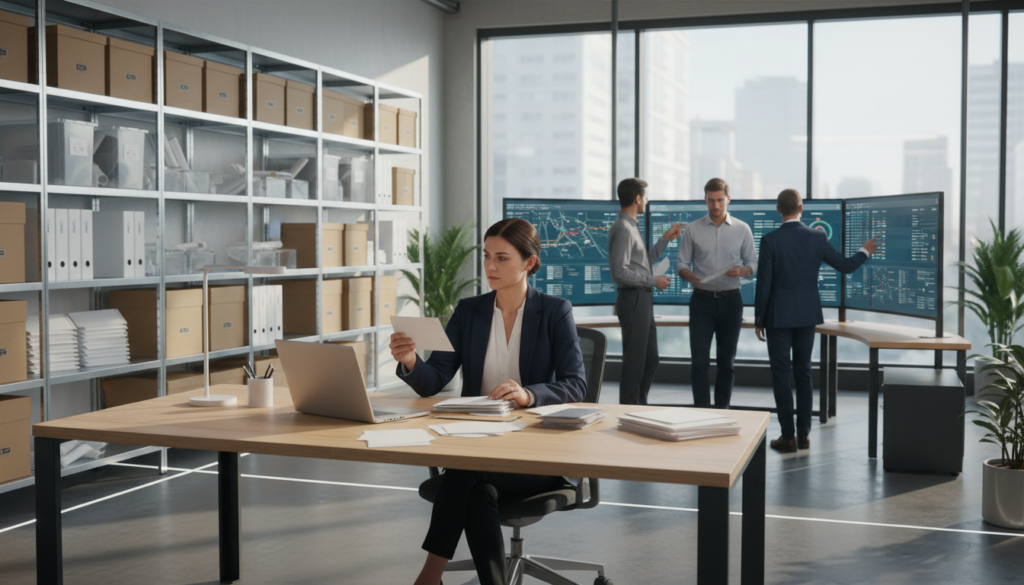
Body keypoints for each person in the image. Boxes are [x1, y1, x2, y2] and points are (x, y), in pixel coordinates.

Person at [390, 218, 587, 585]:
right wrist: (411, 362)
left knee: (466, 470)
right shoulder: (470, 311)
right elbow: (435, 379)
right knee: (479, 491)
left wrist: (529, 395)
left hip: (534, 453)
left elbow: (576, 384)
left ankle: (430, 574)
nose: (490, 267)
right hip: (478, 443)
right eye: (486, 256)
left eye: (502, 258)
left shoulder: (555, 311)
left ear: (529, 263)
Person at [754, 189, 877, 453]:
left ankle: (787, 437)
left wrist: (759, 319)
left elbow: (763, 284)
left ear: (778, 209)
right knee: (804, 372)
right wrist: (865, 251)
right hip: (807, 315)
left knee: (781, 375)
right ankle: (804, 435)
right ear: (801, 209)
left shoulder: (770, 240)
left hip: (777, 317)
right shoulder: (817, 237)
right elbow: (845, 265)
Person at [676, 178, 756, 409]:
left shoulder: (743, 229)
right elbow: (681, 263)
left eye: (720, 200)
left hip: (732, 301)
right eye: (711, 201)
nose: (716, 206)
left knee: (726, 362)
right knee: (699, 361)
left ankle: (723, 412)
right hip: (702, 302)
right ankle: (701, 411)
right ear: (705, 200)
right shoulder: (693, 230)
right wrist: (687, 274)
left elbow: (753, 262)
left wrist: (743, 270)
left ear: (728, 199)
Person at [609, 178, 682, 405]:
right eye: (646, 197)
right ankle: (629, 411)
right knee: (635, 362)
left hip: (641, 299)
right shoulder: (623, 229)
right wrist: (654, 281)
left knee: (650, 360)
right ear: (638, 199)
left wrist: (664, 240)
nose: (647, 201)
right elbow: (619, 272)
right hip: (633, 299)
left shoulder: (631, 226)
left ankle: (639, 406)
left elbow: (643, 263)